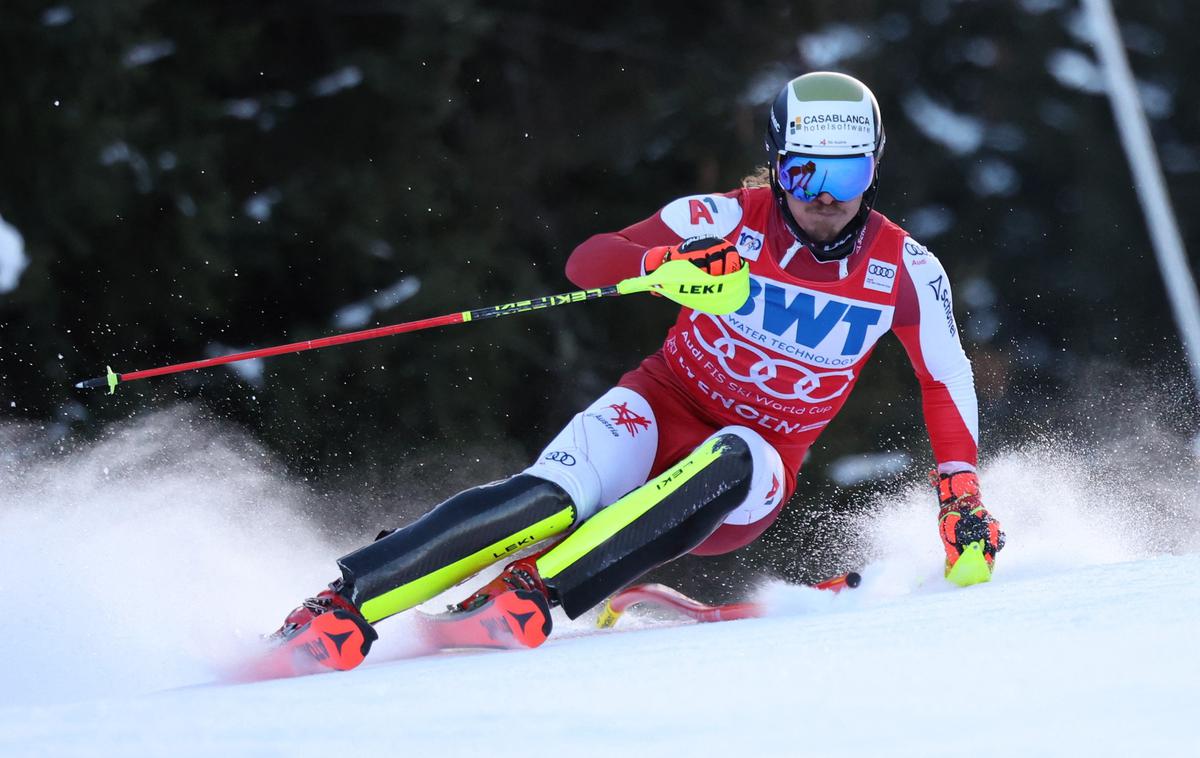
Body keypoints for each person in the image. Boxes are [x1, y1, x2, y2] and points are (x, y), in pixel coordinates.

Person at [268, 71, 1005, 672]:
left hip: (755, 469)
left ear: (874, 169)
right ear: (779, 165)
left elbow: (944, 377)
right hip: (659, 407)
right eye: (804, 169)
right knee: (546, 499)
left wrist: (959, 492)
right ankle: (340, 606)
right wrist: (666, 268)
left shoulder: (905, 267)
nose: (824, 196)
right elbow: (588, 261)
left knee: (738, 452)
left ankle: (533, 593)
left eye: (847, 172)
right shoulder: (724, 217)